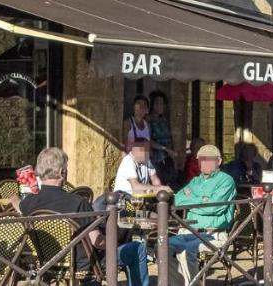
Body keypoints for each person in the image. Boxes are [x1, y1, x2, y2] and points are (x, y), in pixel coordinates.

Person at [14, 147, 150, 285]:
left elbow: (16, 203)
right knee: (137, 248)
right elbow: (98, 242)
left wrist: (13, 198)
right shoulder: (78, 203)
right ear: (62, 172)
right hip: (86, 265)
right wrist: (116, 239)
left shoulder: (27, 203)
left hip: (48, 264)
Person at [168, 144, 237, 286]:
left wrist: (193, 198)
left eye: (209, 159)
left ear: (219, 161)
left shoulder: (226, 180)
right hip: (188, 231)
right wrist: (203, 199)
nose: (204, 163)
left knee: (185, 252)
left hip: (214, 234)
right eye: (201, 160)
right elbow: (179, 200)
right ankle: (178, 283)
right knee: (162, 247)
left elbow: (213, 208)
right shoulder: (195, 180)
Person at [147, 92, 175, 184]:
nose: (160, 106)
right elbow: (148, 140)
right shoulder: (148, 121)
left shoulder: (163, 120)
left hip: (167, 158)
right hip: (155, 158)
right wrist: (165, 148)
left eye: (162, 103)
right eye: (157, 103)